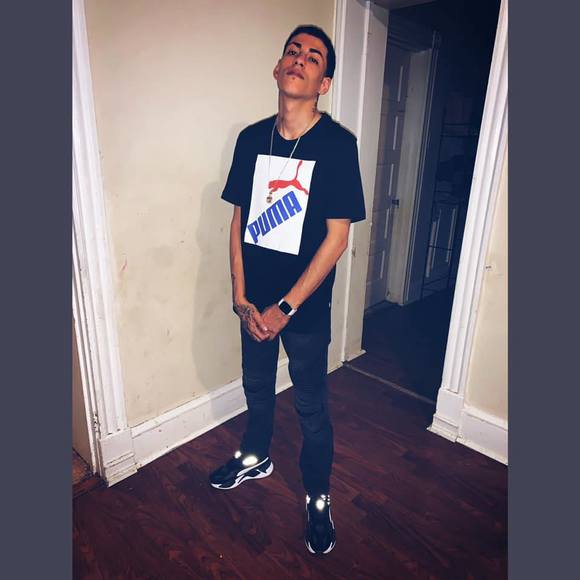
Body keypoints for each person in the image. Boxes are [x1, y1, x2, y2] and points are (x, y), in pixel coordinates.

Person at [209, 24, 365, 555]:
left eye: (314, 57)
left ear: (324, 84)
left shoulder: (338, 146)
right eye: (293, 51)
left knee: (310, 406)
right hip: (254, 302)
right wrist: (241, 295)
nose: (300, 59)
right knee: (256, 387)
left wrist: (285, 307)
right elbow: (238, 220)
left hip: (303, 308)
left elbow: (337, 238)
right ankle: (256, 456)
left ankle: (318, 495)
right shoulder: (252, 139)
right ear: (278, 68)